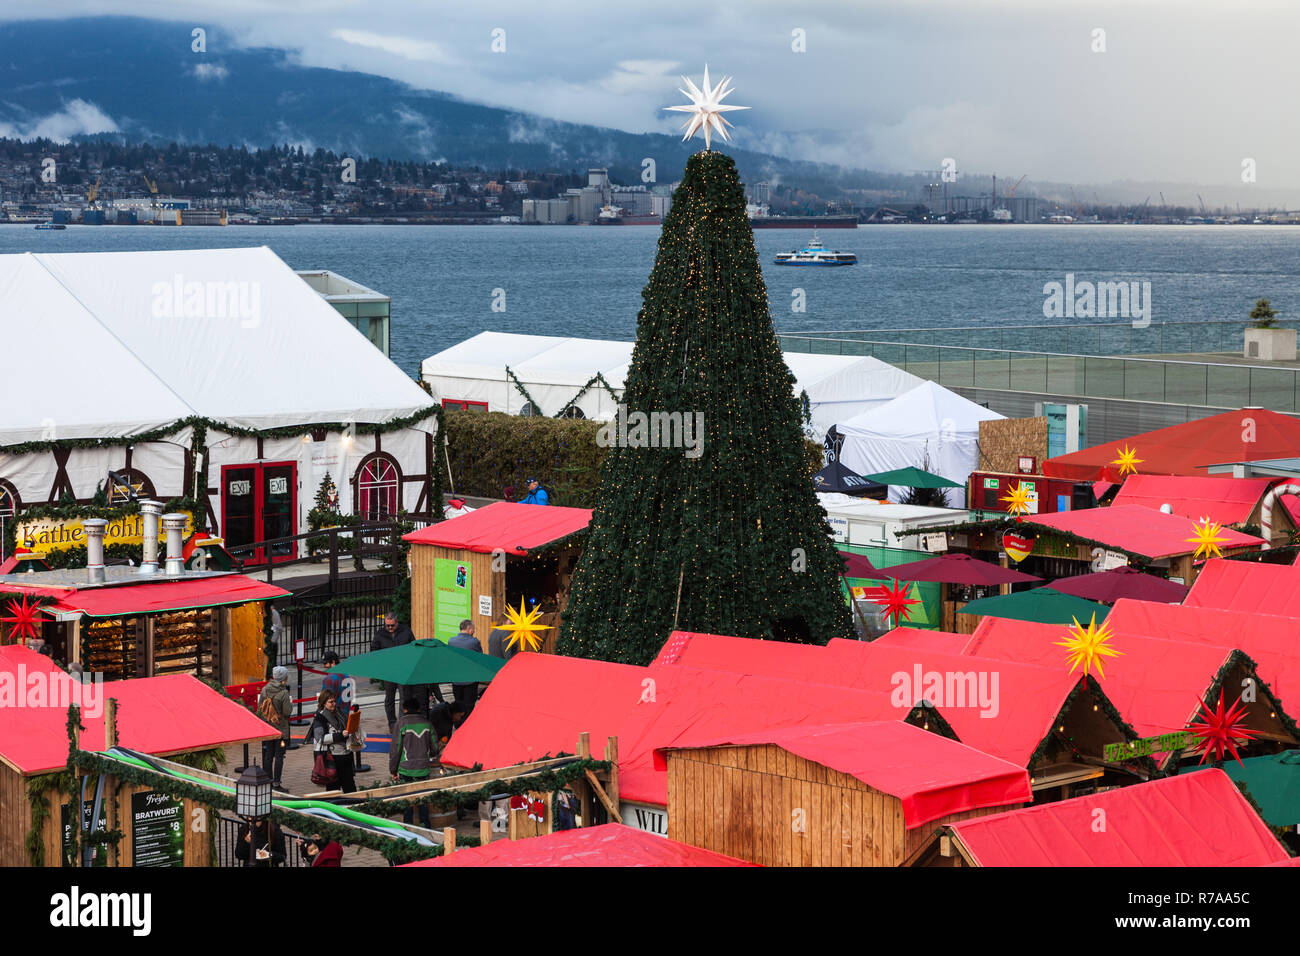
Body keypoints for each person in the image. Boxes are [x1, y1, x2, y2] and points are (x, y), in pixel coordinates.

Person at [390, 697, 434, 828]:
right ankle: (425, 825)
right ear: (419, 709)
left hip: (405, 768)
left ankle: (408, 826)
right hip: (423, 768)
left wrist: (393, 769)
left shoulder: (400, 724)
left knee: (407, 798)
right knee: (423, 798)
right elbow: (435, 748)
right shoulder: (427, 724)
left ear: (404, 709)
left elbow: (395, 749)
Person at [371, 611, 415, 728]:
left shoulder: (406, 631)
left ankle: (401, 723)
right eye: (387, 625)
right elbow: (374, 651)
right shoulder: (380, 634)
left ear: (397, 622)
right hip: (389, 671)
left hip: (403, 670)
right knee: (389, 698)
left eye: (392, 625)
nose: (390, 628)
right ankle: (392, 723)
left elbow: (413, 648)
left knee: (404, 697)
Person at [309, 689, 356, 793]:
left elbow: (346, 726)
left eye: (334, 701)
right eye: (330, 702)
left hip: (346, 754)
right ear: (323, 703)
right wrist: (339, 735)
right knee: (333, 789)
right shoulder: (320, 717)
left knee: (350, 787)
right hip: (332, 758)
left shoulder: (339, 712)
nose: (334, 704)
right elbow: (320, 739)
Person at [258, 666, 292, 791]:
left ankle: (268, 782)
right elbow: (287, 712)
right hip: (280, 729)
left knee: (268, 755)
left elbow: (260, 708)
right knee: (279, 756)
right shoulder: (283, 693)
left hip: (268, 728)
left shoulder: (265, 689)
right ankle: (277, 784)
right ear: (284, 678)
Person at [447, 619, 482, 716]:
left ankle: (458, 724)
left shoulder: (451, 641)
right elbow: (480, 657)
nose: (473, 631)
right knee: (469, 706)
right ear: (469, 629)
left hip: (456, 679)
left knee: (458, 704)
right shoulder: (474, 642)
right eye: (473, 629)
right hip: (470, 680)